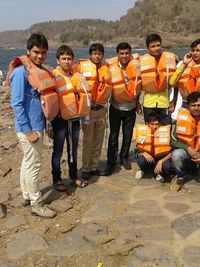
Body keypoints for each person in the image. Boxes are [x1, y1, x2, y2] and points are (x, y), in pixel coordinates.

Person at [8, 33, 56, 218]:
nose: (40, 56)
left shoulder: (36, 70)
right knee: (34, 165)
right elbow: (17, 104)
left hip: (37, 124)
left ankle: (27, 195)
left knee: (27, 163)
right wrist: (28, 131)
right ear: (28, 51)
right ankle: (37, 203)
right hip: (29, 127)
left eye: (43, 53)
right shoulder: (21, 72)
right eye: (36, 52)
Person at [51, 45, 90, 190]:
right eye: (63, 58)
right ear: (58, 60)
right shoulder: (53, 77)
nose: (67, 61)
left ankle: (74, 177)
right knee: (58, 151)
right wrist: (49, 124)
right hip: (59, 121)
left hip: (74, 120)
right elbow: (48, 102)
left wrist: (85, 119)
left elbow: (85, 98)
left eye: (69, 59)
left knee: (73, 150)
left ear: (72, 61)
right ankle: (57, 179)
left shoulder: (78, 76)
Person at [103, 42, 142, 175]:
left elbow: (139, 85)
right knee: (113, 136)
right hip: (115, 107)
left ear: (130, 54)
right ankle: (111, 162)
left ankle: (124, 157)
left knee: (128, 135)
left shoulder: (137, 65)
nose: (124, 56)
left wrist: (137, 103)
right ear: (117, 54)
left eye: (127, 53)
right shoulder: (110, 67)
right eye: (121, 53)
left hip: (131, 108)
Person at [77, 43, 112, 180]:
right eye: (95, 53)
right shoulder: (80, 68)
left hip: (102, 109)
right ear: (90, 55)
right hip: (88, 110)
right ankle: (85, 168)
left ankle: (94, 167)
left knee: (98, 140)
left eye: (99, 54)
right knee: (88, 141)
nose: (97, 56)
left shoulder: (106, 68)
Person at [140, 33, 177, 125]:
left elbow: (176, 83)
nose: (156, 48)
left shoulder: (171, 59)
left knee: (166, 130)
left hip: (165, 102)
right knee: (149, 131)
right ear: (147, 48)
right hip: (148, 103)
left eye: (158, 45)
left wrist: (174, 101)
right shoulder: (141, 61)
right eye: (153, 46)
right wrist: (137, 103)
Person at [171, 92, 200, 191]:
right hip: (187, 153)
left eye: (199, 105)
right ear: (188, 106)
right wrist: (188, 148)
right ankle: (180, 176)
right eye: (193, 105)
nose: (196, 108)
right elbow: (173, 141)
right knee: (176, 155)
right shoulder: (182, 118)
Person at [133, 112, 171, 182]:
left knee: (167, 167)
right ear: (147, 124)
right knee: (141, 161)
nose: (154, 126)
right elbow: (135, 154)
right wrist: (143, 153)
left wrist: (161, 161)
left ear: (160, 124)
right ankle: (143, 169)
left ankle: (158, 172)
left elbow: (172, 153)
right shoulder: (142, 134)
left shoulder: (166, 133)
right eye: (152, 124)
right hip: (148, 159)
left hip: (160, 158)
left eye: (157, 124)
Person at [169, 39, 200, 108]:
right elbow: (172, 82)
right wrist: (184, 63)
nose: (195, 53)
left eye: (198, 50)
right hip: (187, 104)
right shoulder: (184, 65)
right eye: (193, 50)